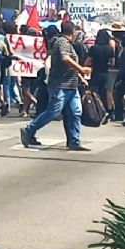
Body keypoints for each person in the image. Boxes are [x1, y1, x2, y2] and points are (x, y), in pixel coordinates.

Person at [20, 21, 90, 151]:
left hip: (71, 85)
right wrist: (81, 69)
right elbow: (65, 59)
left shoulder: (67, 44)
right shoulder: (62, 42)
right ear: (72, 32)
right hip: (60, 85)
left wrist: (80, 77)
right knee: (53, 112)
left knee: (75, 113)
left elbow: (69, 64)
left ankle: (74, 140)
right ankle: (29, 130)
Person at [85, 28, 116, 123]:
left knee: (93, 92)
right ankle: (108, 111)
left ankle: (95, 111)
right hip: (105, 73)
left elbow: (87, 61)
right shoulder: (110, 49)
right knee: (104, 93)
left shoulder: (94, 48)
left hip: (95, 73)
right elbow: (113, 63)